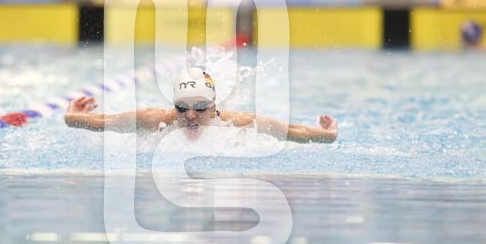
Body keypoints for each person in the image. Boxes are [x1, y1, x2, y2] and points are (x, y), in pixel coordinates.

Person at [65, 67, 338, 143]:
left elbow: (290, 131)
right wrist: (73, 116)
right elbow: (102, 122)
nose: (191, 116)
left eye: (200, 108)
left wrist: (328, 135)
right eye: (182, 108)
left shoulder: (236, 123)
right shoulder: (155, 120)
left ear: (213, 107)